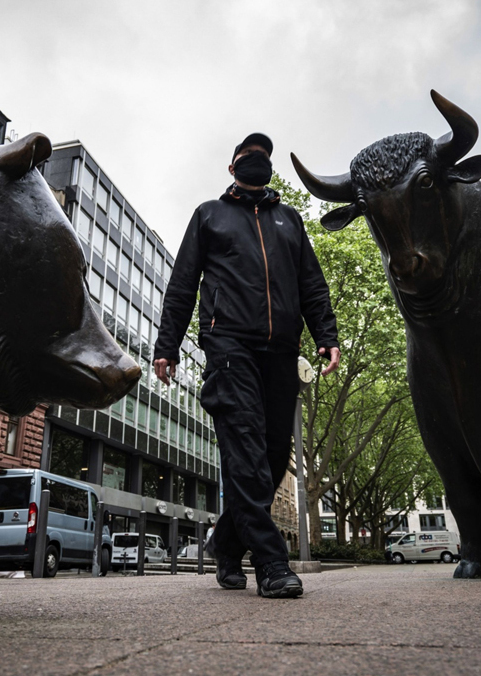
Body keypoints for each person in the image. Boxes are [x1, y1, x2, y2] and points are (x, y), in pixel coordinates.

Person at [153, 133, 340, 599]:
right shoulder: (209, 215)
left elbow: (311, 284)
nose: (257, 161)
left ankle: (226, 543)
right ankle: (271, 562)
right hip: (228, 344)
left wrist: (327, 335)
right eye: (248, 156)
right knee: (246, 452)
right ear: (232, 168)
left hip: (281, 350)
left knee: (275, 456)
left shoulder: (290, 220)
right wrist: (167, 346)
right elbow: (182, 284)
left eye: (264, 157)